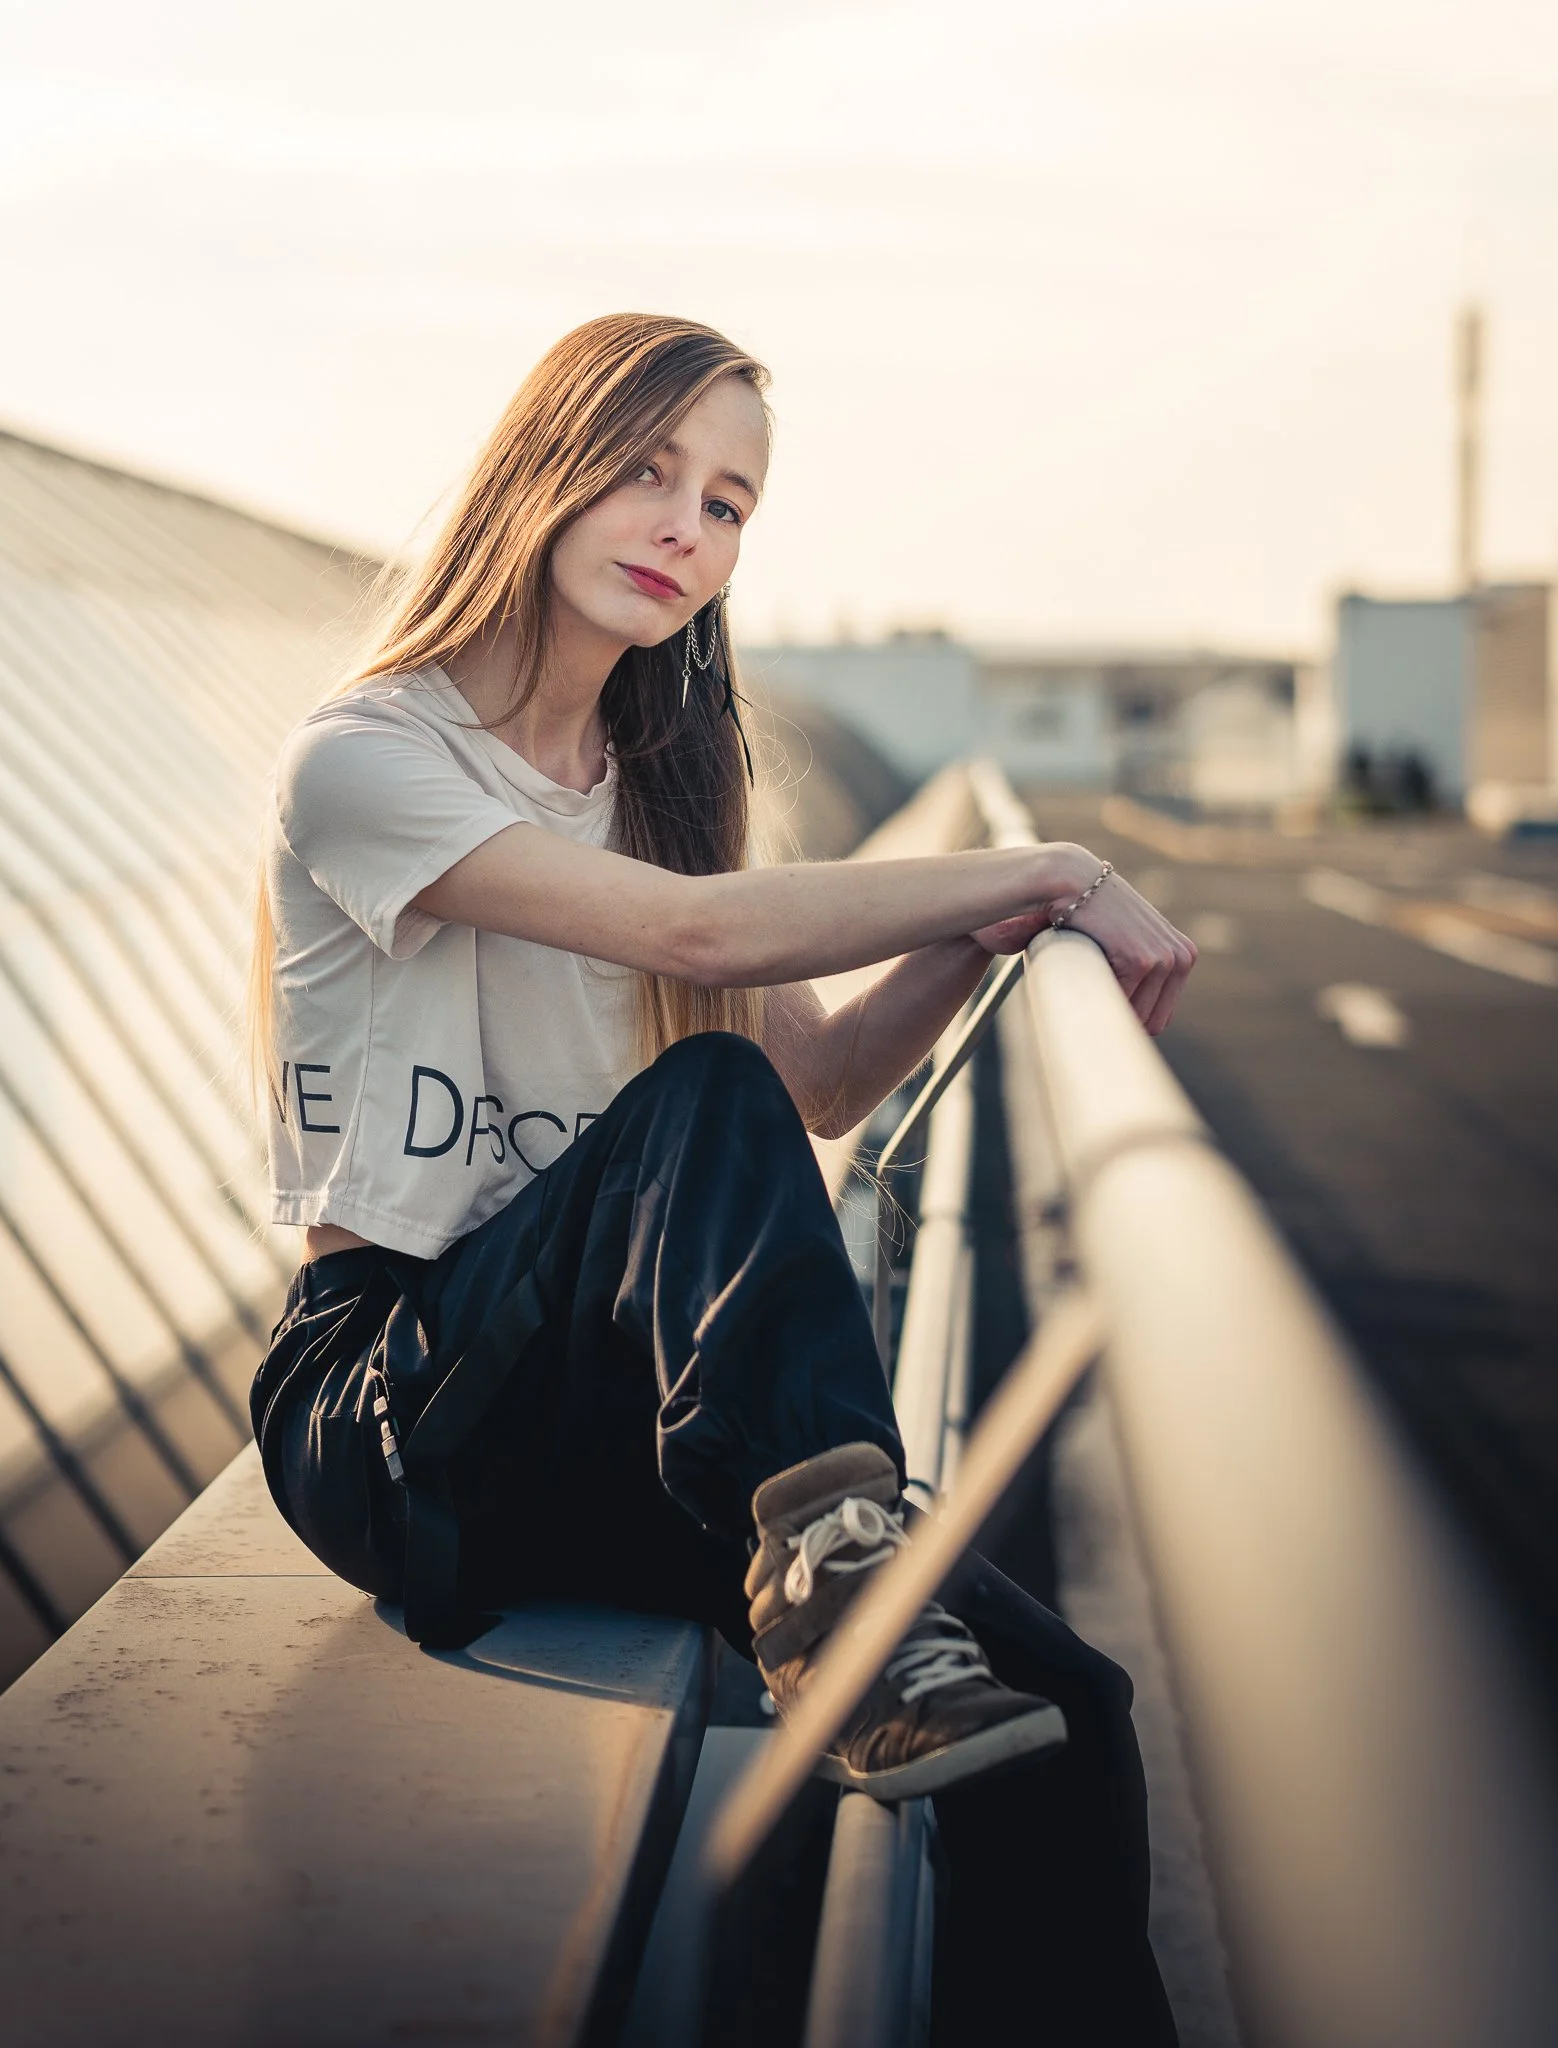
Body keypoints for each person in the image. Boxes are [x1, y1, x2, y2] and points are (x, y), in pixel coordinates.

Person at [249, 313, 1194, 2042]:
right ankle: (839, 1573)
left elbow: (820, 1085)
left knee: (1067, 1710)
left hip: (598, 1410)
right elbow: (697, 947)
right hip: (390, 1407)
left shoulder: (659, 795)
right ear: (540, 471)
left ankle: (839, 1582)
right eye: (644, 471)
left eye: (729, 503)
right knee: (697, 1092)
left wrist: (982, 934)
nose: (684, 526)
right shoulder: (368, 757)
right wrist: (1042, 860)